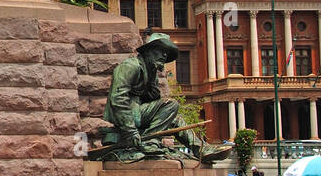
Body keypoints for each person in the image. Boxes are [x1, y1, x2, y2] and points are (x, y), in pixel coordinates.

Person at [97, 33, 233, 164]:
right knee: (171, 105)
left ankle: (201, 149)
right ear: (148, 51)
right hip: (127, 114)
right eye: (161, 50)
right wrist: (130, 130)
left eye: (166, 52)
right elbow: (118, 98)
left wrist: (152, 87)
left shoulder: (150, 71)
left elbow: (152, 101)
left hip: (138, 111)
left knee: (175, 119)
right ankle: (149, 142)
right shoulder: (130, 66)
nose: (164, 55)